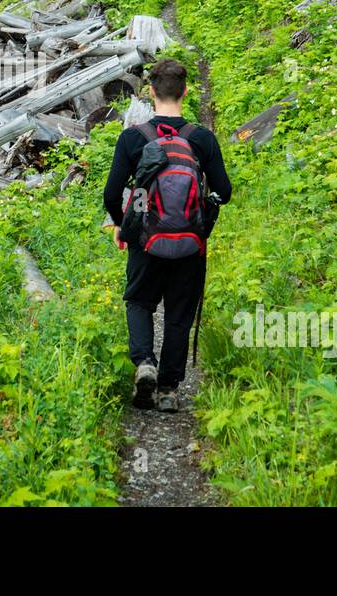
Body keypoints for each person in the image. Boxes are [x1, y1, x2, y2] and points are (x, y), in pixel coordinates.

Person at [103, 58, 231, 412]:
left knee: (140, 301)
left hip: (146, 237)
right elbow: (224, 191)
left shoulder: (133, 137)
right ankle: (169, 390)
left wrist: (122, 226)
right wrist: (202, 217)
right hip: (190, 242)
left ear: (150, 92)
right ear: (185, 92)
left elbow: (112, 195)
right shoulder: (201, 138)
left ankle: (145, 362)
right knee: (179, 312)